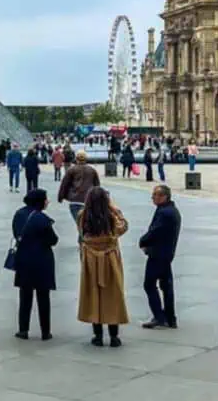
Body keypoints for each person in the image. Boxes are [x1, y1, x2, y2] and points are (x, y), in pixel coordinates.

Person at [77, 187, 129, 347]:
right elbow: (123, 227)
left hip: (90, 258)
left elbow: (81, 233)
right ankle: (114, 336)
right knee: (113, 294)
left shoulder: (83, 215)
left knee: (93, 294)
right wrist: (114, 209)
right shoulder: (111, 217)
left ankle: (97, 335)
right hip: (110, 257)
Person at [12, 188, 57, 341]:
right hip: (41, 260)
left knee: (25, 296)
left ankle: (23, 329)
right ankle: (46, 331)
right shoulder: (42, 219)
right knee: (43, 297)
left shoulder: (19, 214)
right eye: (46, 199)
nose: (47, 201)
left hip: (23, 259)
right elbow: (53, 240)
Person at [139, 184, 182, 329]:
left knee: (149, 284)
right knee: (166, 285)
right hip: (167, 253)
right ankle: (170, 317)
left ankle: (159, 316)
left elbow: (155, 231)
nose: (152, 197)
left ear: (164, 196)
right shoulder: (171, 210)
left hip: (158, 254)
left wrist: (142, 241)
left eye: (155, 195)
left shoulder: (165, 213)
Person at [57, 149, 100, 237]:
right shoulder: (92, 170)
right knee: (85, 222)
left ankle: (82, 240)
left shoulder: (71, 170)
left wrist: (60, 197)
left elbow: (64, 184)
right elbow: (97, 185)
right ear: (86, 159)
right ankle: (83, 240)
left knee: (80, 223)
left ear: (76, 158)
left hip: (75, 201)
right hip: (88, 201)